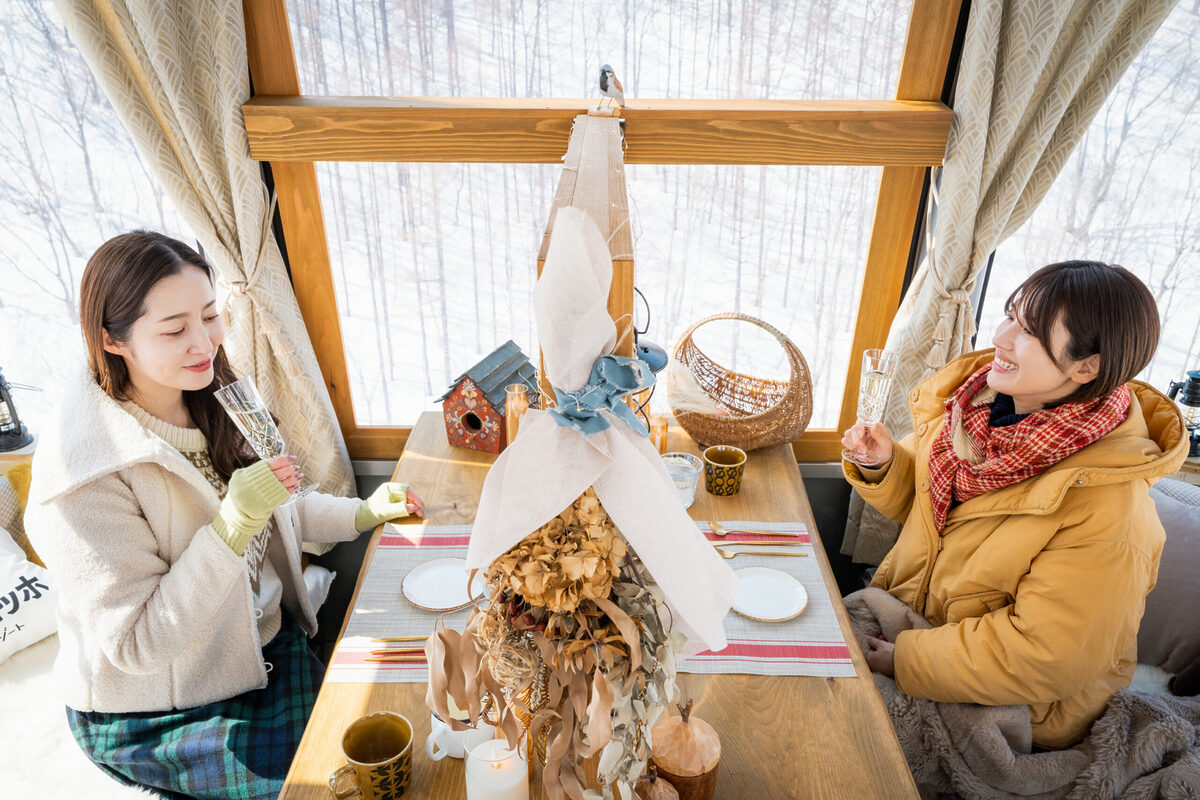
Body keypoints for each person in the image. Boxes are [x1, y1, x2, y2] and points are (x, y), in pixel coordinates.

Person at [26, 231, 425, 799]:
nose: (204, 342)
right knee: (332, 785)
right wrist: (230, 526)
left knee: (381, 740)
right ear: (113, 342)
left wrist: (361, 511)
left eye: (210, 316)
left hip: (255, 646)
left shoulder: (222, 393)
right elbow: (139, 645)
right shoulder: (82, 476)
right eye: (174, 329)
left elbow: (278, 508)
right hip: (161, 703)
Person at [841, 260, 1188, 749]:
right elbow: (931, 513)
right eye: (1009, 316)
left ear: (1087, 366)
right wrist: (883, 465)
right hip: (912, 634)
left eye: (1028, 332)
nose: (1000, 338)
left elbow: (1044, 655)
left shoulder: (1113, 512)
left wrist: (905, 659)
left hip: (1022, 711)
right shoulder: (973, 412)